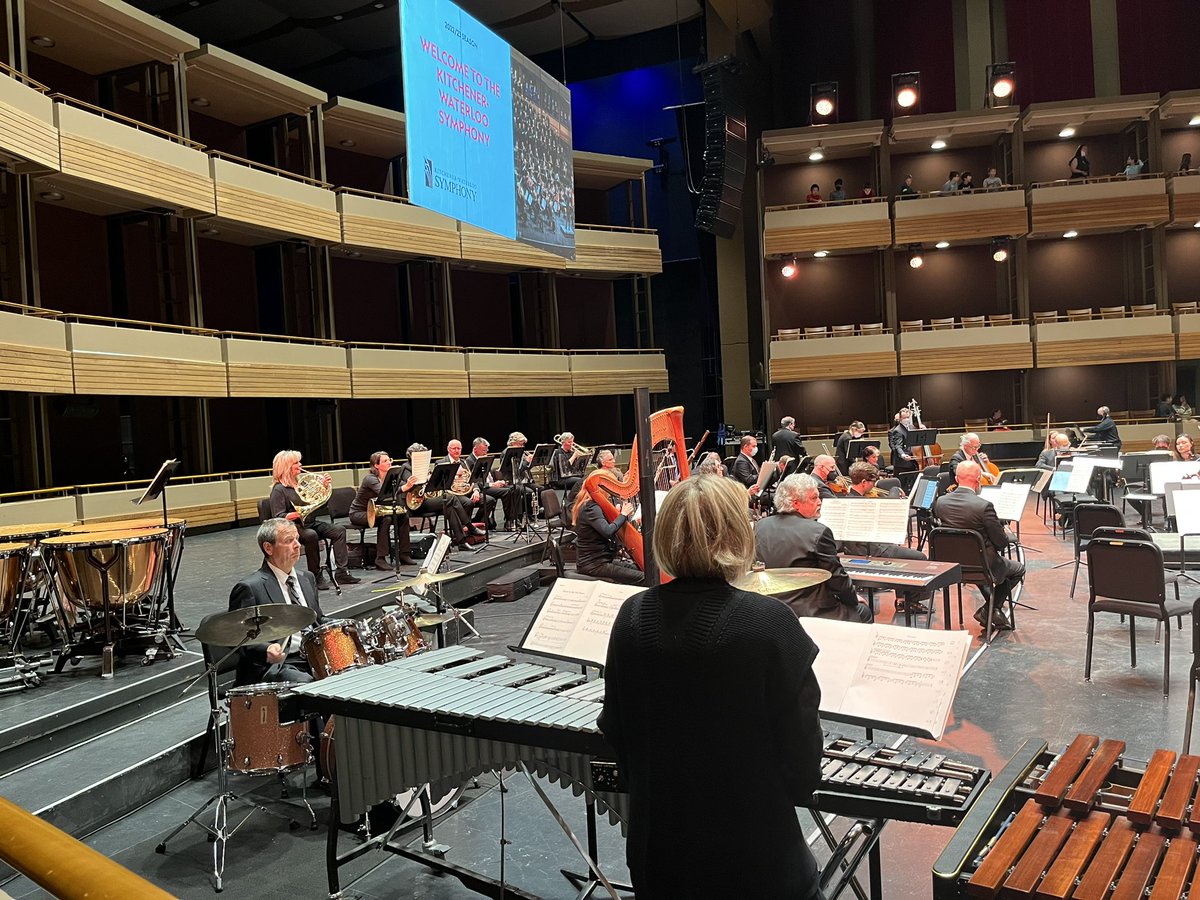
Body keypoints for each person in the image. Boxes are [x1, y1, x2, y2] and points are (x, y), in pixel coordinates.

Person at [598, 476, 825, 899]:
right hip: (757, 859)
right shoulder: (769, 621)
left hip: (660, 857)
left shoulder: (631, 616)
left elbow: (616, 728)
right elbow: (803, 756)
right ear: (740, 535)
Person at [754, 473, 872, 622]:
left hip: (771, 607)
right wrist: (853, 598)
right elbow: (836, 579)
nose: (820, 502)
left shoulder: (761, 526)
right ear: (796, 503)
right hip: (810, 611)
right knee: (863, 612)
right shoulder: (817, 532)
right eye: (814, 498)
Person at [228, 518, 327, 686]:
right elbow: (237, 637)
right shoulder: (250, 587)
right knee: (310, 684)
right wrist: (266, 649)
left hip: (313, 656)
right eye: (289, 541)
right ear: (268, 548)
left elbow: (318, 619)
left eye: (297, 539)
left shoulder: (306, 579)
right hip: (277, 665)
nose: (297, 545)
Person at [931, 461, 1024, 631]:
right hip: (982, 566)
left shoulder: (941, 502)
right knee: (1018, 569)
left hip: (951, 566)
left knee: (978, 559)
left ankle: (992, 609)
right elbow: (1001, 543)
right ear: (979, 478)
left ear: (957, 479)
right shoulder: (983, 506)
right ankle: (989, 609)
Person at [843, 462, 932, 613]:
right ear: (864, 482)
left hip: (856, 546)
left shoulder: (844, 499)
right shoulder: (864, 504)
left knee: (901, 553)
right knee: (919, 558)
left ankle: (902, 599)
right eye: (872, 482)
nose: (873, 486)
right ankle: (909, 602)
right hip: (871, 548)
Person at [268, 450, 359, 590]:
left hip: (310, 522)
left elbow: (317, 501)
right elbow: (278, 517)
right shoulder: (279, 490)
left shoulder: (300, 484)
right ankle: (315, 576)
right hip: (293, 527)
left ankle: (342, 572)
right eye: (296, 463)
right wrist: (298, 513)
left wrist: (324, 486)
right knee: (311, 535)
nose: (300, 464)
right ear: (286, 466)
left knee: (339, 530)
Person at [399, 442, 480, 549]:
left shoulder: (423, 467)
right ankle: (470, 526)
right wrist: (426, 479)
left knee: (450, 506)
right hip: (415, 504)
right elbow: (411, 487)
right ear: (412, 456)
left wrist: (433, 478)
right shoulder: (406, 467)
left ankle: (461, 541)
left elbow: (432, 486)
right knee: (450, 497)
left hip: (425, 500)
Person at [348, 450, 415, 570]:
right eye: (385, 461)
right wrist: (405, 487)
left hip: (378, 510)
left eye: (389, 460)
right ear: (376, 465)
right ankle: (380, 558)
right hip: (359, 513)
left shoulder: (392, 476)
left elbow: (403, 487)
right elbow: (383, 494)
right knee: (386, 519)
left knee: (403, 516)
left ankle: (404, 553)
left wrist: (413, 483)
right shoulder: (370, 479)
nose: (389, 462)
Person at [570, 473, 642, 584]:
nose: (611, 492)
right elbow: (607, 531)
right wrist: (623, 515)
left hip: (602, 560)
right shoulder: (591, 507)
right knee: (644, 577)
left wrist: (618, 514)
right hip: (594, 565)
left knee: (641, 570)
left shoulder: (590, 505)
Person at [469, 437, 513, 528]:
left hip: (489, 485)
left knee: (512, 489)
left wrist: (497, 482)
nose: (486, 452)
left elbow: (488, 476)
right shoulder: (470, 462)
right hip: (481, 488)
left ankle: (514, 519)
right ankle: (509, 521)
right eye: (483, 450)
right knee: (506, 492)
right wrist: (492, 484)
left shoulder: (484, 458)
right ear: (475, 450)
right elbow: (474, 481)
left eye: (486, 450)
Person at [549, 431, 587, 504]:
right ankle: (572, 500)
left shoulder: (571, 452)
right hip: (561, 479)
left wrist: (579, 460)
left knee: (586, 478)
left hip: (570, 476)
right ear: (563, 442)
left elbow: (575, 469)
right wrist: (574, 457)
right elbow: (565, 468)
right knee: (580, 481)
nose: (572, 444)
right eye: (569, 442)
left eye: (572, 442)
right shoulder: (558, 452)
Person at [889, 407, 918, 484]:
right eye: (904, 417)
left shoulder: (912, 427)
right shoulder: (897, 430)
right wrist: (903, 455)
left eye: (908, 417)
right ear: (900, 418)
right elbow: (898, 446)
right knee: (903, 485)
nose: (906, 419)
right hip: (902, 464)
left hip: (913, 461)